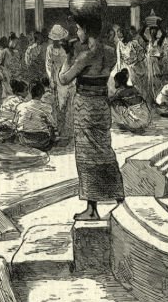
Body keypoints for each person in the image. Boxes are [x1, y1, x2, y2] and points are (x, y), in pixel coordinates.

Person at [58, 11, 124, 222]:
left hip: (86, 106)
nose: (77, 33)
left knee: (87, 155)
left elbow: (64, 79)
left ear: (86, 30)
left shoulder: (86, 55)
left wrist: (68, 56)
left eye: (78, 29)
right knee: (104, 150)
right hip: (102, 105)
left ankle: (92, 208)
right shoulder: (111, 51)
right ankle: (118, 195)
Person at [45, 26, 75, 142]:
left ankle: (67, 131)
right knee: (56, 104)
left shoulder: (65, 49)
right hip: (54, 77)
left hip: (65, 76)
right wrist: (51, 79)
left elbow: (70, 63)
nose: (56, 42)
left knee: (66, 103)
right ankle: (57, 129)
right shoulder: (49, 49)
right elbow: (47, 65)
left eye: (58, 39)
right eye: (54, 40)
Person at [13, 81, 59, 151]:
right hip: (41, 141)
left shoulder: (20, 106)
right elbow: (53, 124)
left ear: (30, 92)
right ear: (42, 93)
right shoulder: (46, 107)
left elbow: (15, 122)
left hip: (23, 140)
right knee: (52, 129)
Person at [0, 78, 29, 143]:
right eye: (26, 90)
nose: (28, 92)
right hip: (7, 131)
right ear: (20, 92)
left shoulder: (8, 99)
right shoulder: (21, 102)